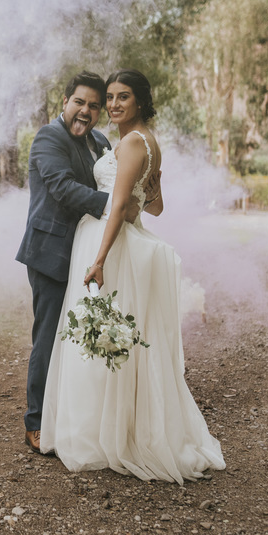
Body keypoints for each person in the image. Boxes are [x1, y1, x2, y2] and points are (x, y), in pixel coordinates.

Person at [40, 69, 224, 481]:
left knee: (97, 336)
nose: (113, 104)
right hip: (118, 237)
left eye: (123, 97)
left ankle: (100, 436)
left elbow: (121, 207)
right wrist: (144, 191)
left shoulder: (131, 144)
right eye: (110, 96)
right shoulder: (146, 144)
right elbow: (153, 207)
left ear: (140, 101)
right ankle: (113, 427)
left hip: (108, 243)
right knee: (111, 336)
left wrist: (100, 258)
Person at [16, 71, 112, 454]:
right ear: (65, 102)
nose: (85, 111)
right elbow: (61, 187)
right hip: (51, 252)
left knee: (79, 336)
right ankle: (36, 423)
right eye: (80, 102)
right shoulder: (47, 137)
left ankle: (74, 416)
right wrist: (116, 207)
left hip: (88, 254)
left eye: (94, 106)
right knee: (49, 337)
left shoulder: (101, 141)